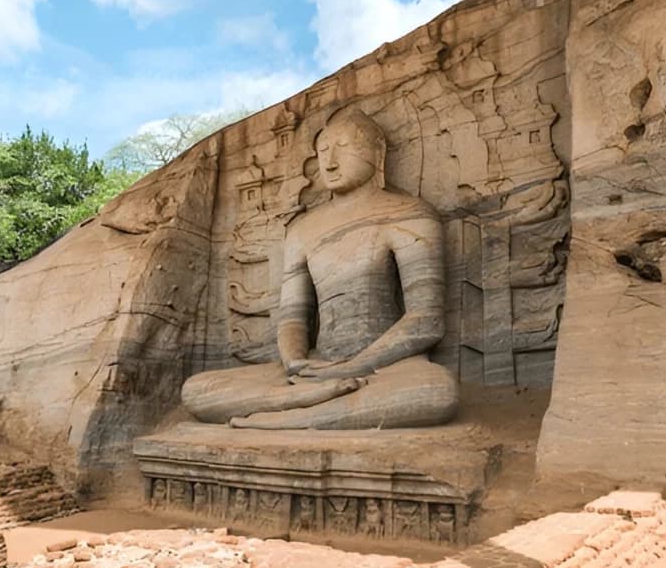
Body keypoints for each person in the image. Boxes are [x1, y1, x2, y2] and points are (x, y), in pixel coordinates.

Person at [181, 109, 458, 429]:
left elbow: (426, 321)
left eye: (344, 146)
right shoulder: (303, 229)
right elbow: (293, 319)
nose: (331, 161)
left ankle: (287, 417)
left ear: (378, 152)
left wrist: (353, 367)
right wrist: (296, 362)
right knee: (196, 390)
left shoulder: (409, 214)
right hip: (315, 368)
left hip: (386, 368)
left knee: (437, 391)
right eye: (323, 150)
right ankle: (307, 403)